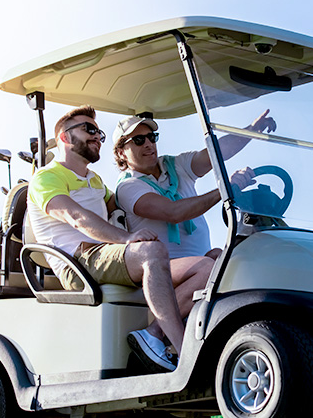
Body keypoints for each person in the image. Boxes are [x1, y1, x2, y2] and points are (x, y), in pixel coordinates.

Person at [26, 105, 211, 373]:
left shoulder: (94, 180)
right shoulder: (46, 177)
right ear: (64, 137)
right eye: (88, 129)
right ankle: (185, 354)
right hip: (77, 262)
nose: (96, 137)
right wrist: (128, 238)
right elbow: (76, 217)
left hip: (105, 258)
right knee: (150, 252)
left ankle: (157, 336)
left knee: (207, 267)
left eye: (98, 132)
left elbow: (124, 206)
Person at [113, 111, 276, 260]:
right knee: (218, 263)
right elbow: (173, 212)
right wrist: (225, 188)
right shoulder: (128, 186)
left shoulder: (174, 165)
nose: (148, 144)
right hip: (165, 272)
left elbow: (216, 153)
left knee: (238, 258)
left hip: (204, 263)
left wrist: (252, 130)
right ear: (121, 152)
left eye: (152, 137)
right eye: (139, 140)